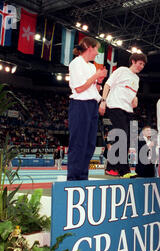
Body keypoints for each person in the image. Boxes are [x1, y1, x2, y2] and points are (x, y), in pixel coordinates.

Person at [99, 53, 147, 178]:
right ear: (133, 61)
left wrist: (135, 98)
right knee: (123, 135)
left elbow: (132, 93)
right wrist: (103, 101)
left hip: (129, 110)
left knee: (129, 137)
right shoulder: (121, 70)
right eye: (140, 63)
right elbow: (108, 85)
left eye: (143, 65)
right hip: (115, 106)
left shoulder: (136, 79)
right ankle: (124, 171)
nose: (141, 66)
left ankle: (111, 166)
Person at [67, 37, 107, 181]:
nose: (97, 52)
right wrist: (96, 76)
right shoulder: (76, 63)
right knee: (78, 142)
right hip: (80, 105)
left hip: (92, 105)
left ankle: (83, 176)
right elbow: (79, 88)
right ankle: (72, 178)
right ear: (89, 47)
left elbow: (92, 88)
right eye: (96, 49)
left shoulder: (91, 66)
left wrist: (99, 81)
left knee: (89, 144)